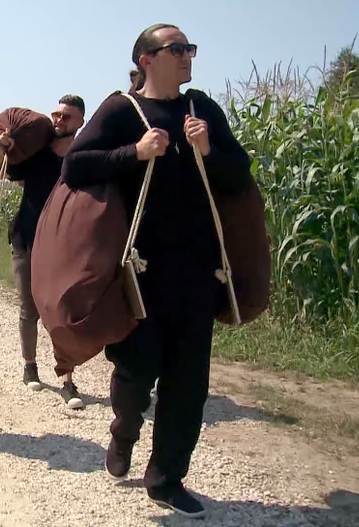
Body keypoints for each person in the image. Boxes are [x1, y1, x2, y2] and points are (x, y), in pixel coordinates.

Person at [60, 24, 253, 518]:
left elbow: (239, 172)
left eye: (190, 49)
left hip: (198, 270)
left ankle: (166, 479)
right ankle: (124, 430)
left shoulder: (202, 109)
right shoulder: (122, 110)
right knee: (135, 371)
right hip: (139, 272)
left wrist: (209, 151)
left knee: (189, 384)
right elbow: (75, 166)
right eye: (177, 49)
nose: (188, 56)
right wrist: (135, 152)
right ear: (146, 59)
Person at [0, 95, 87, 409]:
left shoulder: (82, 157)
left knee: (62, 311)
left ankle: (67, 380)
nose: (59, 120)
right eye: (56, 114)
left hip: (62, 243)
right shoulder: (35, 153)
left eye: (67, 116)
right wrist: (0, 150)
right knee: (29, 308)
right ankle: (30, 366)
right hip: (26, 237)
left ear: (81, 122)